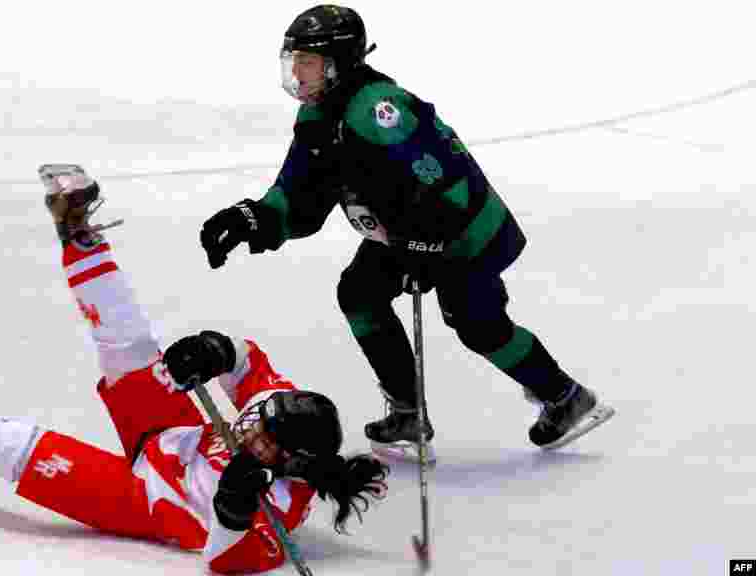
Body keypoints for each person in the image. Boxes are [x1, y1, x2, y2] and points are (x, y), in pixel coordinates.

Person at [0, 164, 390, 574]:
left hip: (142, 497)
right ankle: (77, 230)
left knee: (7, 443)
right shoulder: (276, 407)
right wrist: (212, 351)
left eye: (262, 438)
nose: (250, 427)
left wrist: (234, 506)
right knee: (126, 337)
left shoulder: (281, 506)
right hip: (170, 430)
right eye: (258, 420)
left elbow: (223, 560)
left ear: (292, 461)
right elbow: (248, 361)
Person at [198, 5, 614, 455]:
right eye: (294, 60)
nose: (297, 73)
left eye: (308, 62)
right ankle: (408, 412)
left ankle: (566, 397)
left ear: (339, 63)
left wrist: (428, 242)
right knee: (360, 294)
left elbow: (444, 181)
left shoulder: (380, 111)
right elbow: (299, 195)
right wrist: (253, 219)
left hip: (463, 234)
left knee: (478, 325)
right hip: (403, 235)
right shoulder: (317, 117)